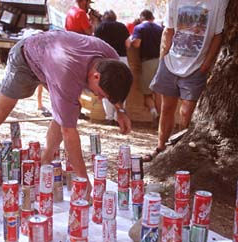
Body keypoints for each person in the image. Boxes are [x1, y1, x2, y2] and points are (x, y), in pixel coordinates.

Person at [0, 30, 133, 199]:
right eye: (101, 93)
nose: (99, 98)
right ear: (96, 76)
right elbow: (69, 132)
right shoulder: (66, 75)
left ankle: (45, 163)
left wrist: (120, 110)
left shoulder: (112, 60)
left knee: (70, 110)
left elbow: (116, 86)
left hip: (52, 59)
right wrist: (83, 181)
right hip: (25, 58)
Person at [144, 0, 229, 162]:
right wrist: (163, 59)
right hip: (171, 62)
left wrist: (206, 64)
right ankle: (161, 147)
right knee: (167, 108)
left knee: (186, 112)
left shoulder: (218, 2)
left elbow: (218, 35)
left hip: (196, 66)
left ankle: (180, 149)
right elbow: (168, 31)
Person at [94, 10, 130, 125]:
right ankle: (117, 116)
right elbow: (128, 44)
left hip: (105, 60)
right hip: (122, 59)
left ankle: (109, 117)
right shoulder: (122, 27)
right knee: (121, 88)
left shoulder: (99, 28)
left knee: (105, 87)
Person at [129, 9, 163, 126]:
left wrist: (131, 41)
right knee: (158, 92)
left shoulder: (139, 28)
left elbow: (137, 43)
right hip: (161, 61)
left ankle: (155, 114)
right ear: (152, 17)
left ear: (141, 18)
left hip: (147, 62)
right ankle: (161, 118)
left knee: (147, 93)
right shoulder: (160, 28)